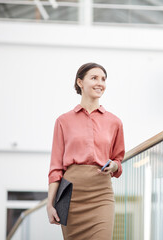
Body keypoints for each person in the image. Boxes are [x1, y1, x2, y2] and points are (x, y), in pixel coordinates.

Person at [46, 62, 125, 239]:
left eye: (103, 79)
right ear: (80, 82)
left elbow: (118, 160)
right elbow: (56, 167)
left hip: (101, 193)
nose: (100, 83)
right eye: (94, 78)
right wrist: (50, 204)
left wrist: (113, 166)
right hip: (72, 195)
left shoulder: (115, 122)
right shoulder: (63, 121)